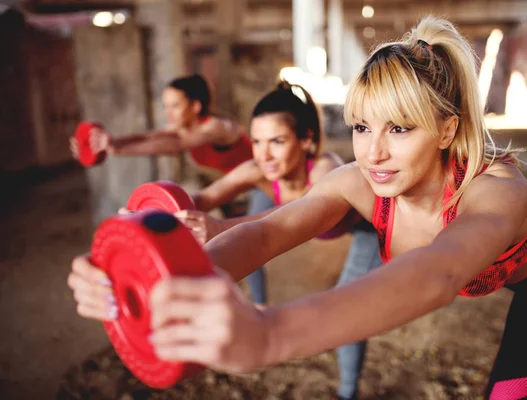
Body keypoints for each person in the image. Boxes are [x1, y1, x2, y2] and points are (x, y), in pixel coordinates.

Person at [67, 17, 527, 399]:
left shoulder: (497, 191)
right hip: (506, 235)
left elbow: (437, 273)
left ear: (447, 130)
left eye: (401, 128)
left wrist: (270, 334)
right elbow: (269, 233)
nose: (374, 152)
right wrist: (162, 280)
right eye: (363, 126)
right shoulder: (357, 180)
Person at [70, 81, 382, 399]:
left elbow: (293, 219)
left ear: (306, 140)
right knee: (252, 227)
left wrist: (221, 226)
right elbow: (199, 200)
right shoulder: (257, 169)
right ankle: (258, 301)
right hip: (280, 209)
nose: (265, 154)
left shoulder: (326, 170)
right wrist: (147, 219)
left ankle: (347, 393)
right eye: (257, 141)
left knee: (348, 315)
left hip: (365, 231)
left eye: (277, 141)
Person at [70, 74, 253, 179]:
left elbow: (177, 144)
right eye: (166, 106)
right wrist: (111, 142)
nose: (168, 113)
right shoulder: (183, 127)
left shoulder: (215, 127)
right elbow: (148, 138)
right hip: (247, 180)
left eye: (175, 106)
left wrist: (117, 150)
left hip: (267, 174)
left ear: (195, 106)